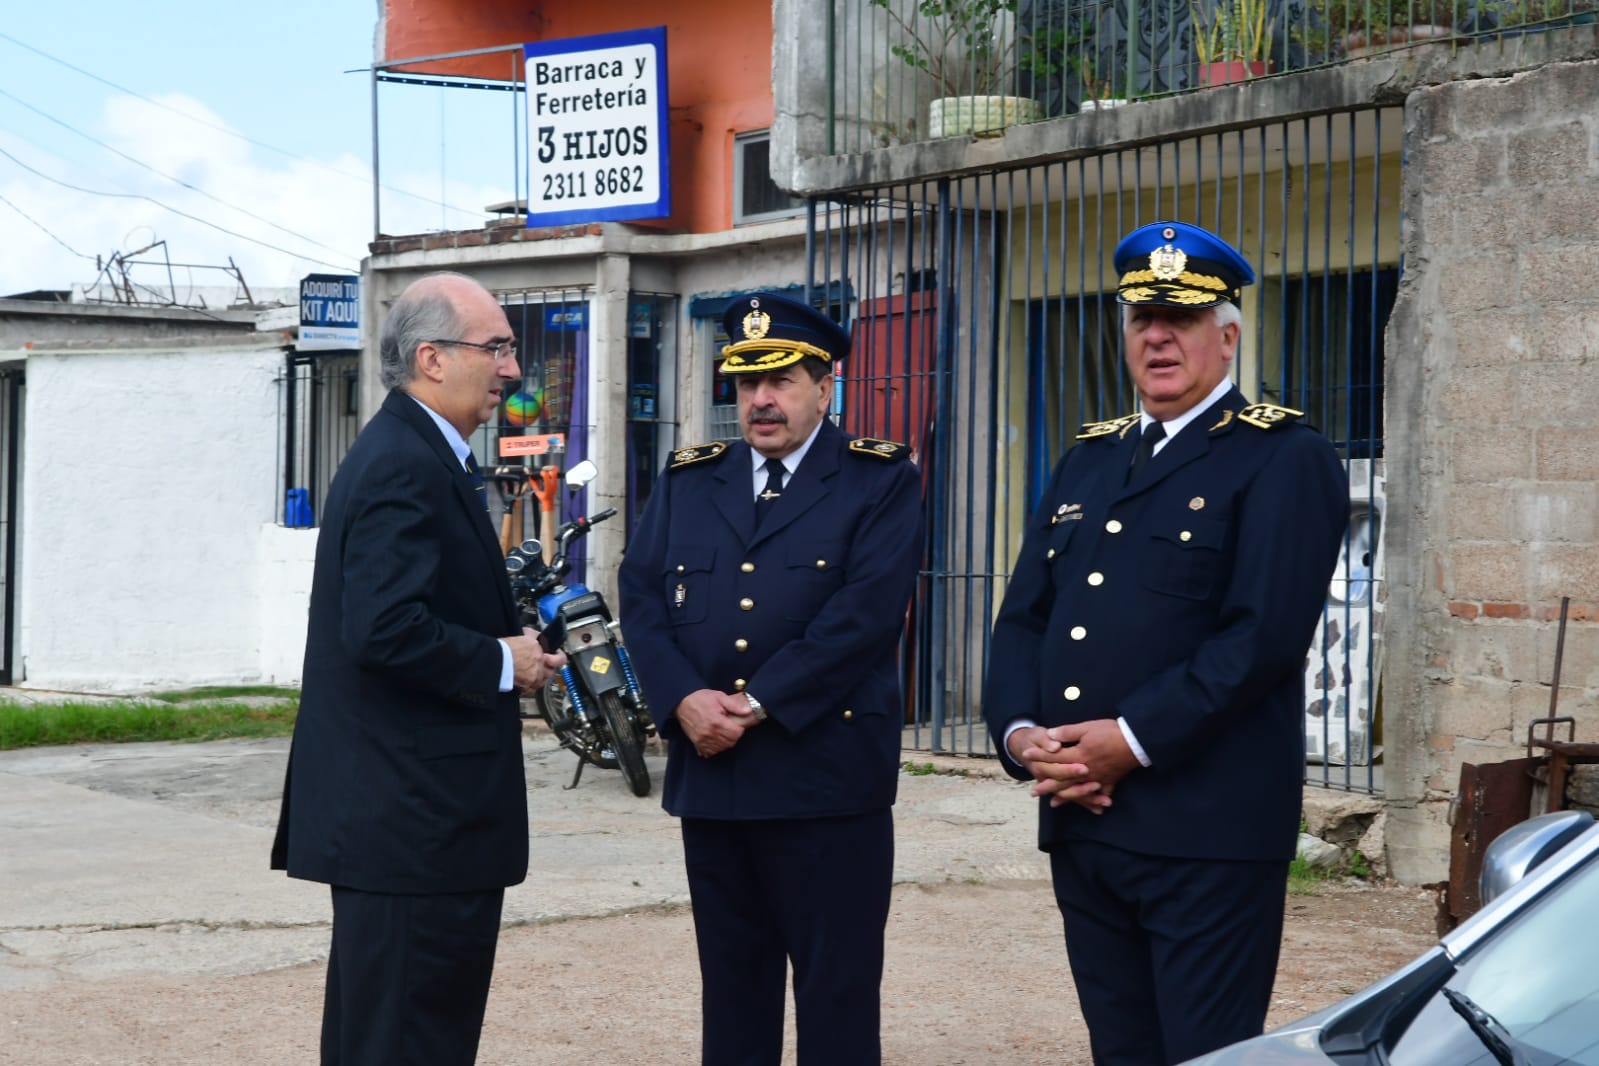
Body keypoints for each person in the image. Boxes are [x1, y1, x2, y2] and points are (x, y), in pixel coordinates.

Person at [983, 222, 1350, 1065]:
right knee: (1120, 1049)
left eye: (1179, 319)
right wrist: (1021, 736)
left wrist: (1128, 739)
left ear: (1226, 337)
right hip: (1082, 820)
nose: (1156, 337)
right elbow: (1025, 618)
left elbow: (1259, 640)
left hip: (1205, 830)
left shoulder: (1282, 458)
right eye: (1141, 318)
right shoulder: (1089, 460)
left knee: (1202, 1052)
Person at [617, 292, 923, 1066]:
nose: (760, 399)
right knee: (732, 997)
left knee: (835, 998)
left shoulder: (877, 479)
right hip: (715, 783)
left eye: (781, 380)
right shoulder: (692, 479)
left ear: (825, 386)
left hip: (826, 783)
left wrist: (756, 703)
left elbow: (864, 615)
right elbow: (642, 596)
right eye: (747, 381)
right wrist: (681, 699)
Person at [271, 271, 564, 1066]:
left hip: (417, 829)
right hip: (412, 829)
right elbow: (383, 629)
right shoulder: (404, 461)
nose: (511, 368)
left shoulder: (424, 453)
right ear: (431, 359)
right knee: (405, 1041)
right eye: (495, 348)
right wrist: (502, 660)